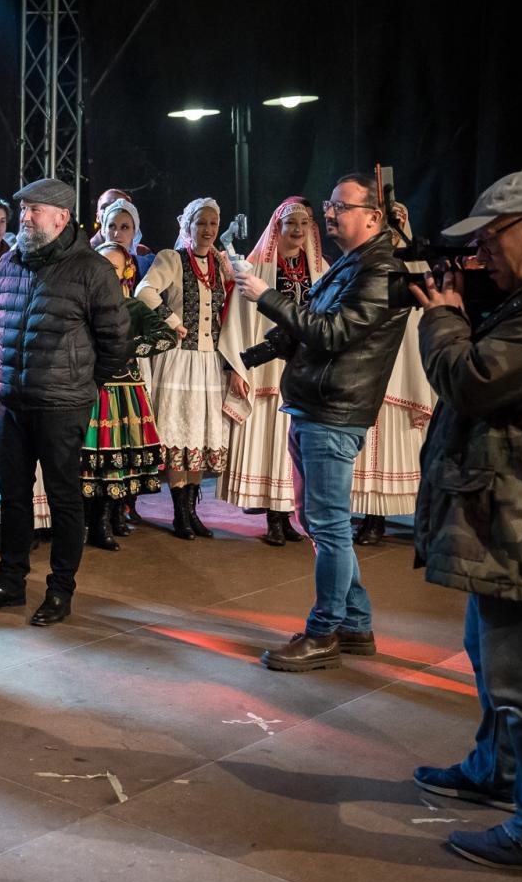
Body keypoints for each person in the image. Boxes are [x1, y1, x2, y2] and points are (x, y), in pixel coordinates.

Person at [407, 168, 522, 875]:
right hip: (511, 521)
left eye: (489, 243)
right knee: (492, 655)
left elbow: (475, 379)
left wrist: (443, 317)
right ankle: (496, 770)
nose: (480, 259)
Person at [235, 172, 408, 671]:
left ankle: (324, 631)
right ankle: (354, 624)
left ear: (373, 217)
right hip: (319, 405)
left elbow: (332, 334)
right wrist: (258, 351)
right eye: (328, 205)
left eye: (341, 206)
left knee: (329, 526)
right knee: (319, 521)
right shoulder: (354, 263)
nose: (329, 213)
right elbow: (313, 323)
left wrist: (267, 296)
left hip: (334, 412)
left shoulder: (380, 270)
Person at [0, 177, 128, 625]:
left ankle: (60, 591)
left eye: (35, 210)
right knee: (13, 497)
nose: (26, 217)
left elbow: (116, 341)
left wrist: (84, 384)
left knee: (63, 499)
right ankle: (9, 583)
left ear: (61, 218)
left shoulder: (91, 270)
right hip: (13, 400)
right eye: (24, 210)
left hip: (62, 403)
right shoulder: (10, 263)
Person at [218, 197, 327, 545]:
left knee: (292, 446)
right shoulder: (257, 267)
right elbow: (237, 317)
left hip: (305, 369)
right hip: (266, 370)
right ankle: (272, 517)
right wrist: (237, 366)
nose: (297, 231)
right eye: (290, 224)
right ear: (277, 227)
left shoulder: (320, 268)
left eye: (304, 224)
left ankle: (288, 514)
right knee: (270, 442)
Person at [135, 197, 233, 540]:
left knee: (199, 438)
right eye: (201, 223)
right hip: (178, 361)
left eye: (212, 224)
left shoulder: (221, 265)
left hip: (209, 362)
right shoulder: (172, 259)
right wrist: (173, 321)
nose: (207, 230)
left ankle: (192, 511)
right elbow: (144, 291)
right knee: (179, 435)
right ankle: (180, 513)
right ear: (188, 226)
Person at [83, 198, 173, 550]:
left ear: (125, 272)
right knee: (92, 458)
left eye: (115, 267)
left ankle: (110, 517)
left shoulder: (132, 306)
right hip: (93, 389)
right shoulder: (85, 305)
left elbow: (164, 337)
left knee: (119, 457)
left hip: (125, 390)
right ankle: (93, 520)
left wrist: (130, 347)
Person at [351, 203, 434, 545]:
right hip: (366, 357)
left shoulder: (411, 265)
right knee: (366, 439)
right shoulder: (361, 262)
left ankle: (379, 517)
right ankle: (367, 514)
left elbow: (420, 315)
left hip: (400, 361)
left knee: (393, 439)